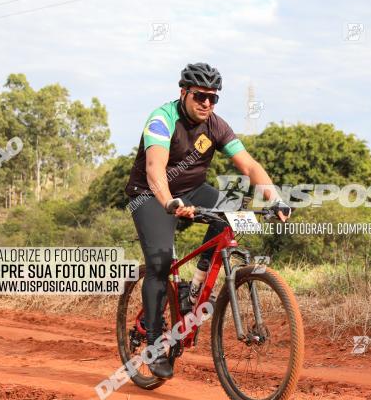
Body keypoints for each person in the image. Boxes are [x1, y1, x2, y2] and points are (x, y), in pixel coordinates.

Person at [124, 62, 289, 379]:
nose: (207, 104)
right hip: (151, 194)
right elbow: (155, 170)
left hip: (193, 190)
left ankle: (195, 289)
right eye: (200, 96)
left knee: (234, 211)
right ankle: (155, 345)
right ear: (183, 92)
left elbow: (250, 167)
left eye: (213, 98)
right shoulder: (161, 120)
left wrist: (276, 198)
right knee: (159, 265)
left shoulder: (217, 125)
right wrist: (169, 202)